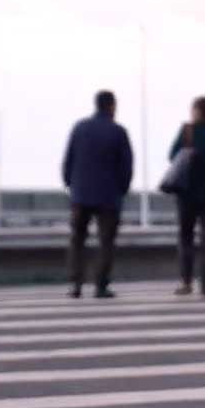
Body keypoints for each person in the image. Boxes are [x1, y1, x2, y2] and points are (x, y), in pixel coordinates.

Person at [60, 89, 134, 299]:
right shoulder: (118, 132)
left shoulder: (80, 128)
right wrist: (122, 188)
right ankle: (101, 285)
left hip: (81, 194)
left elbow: (69, 159)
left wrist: (70, 184)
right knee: (106, 242)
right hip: (109, 196)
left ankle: (76, 284)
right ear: (111, 106)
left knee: (77, 240)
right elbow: (126, 166)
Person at [166, 96, 205, 296]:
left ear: (198, 111)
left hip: (188, 193)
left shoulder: (187, 131)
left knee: (186, 239)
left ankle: (186, 282)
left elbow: (172, 155)